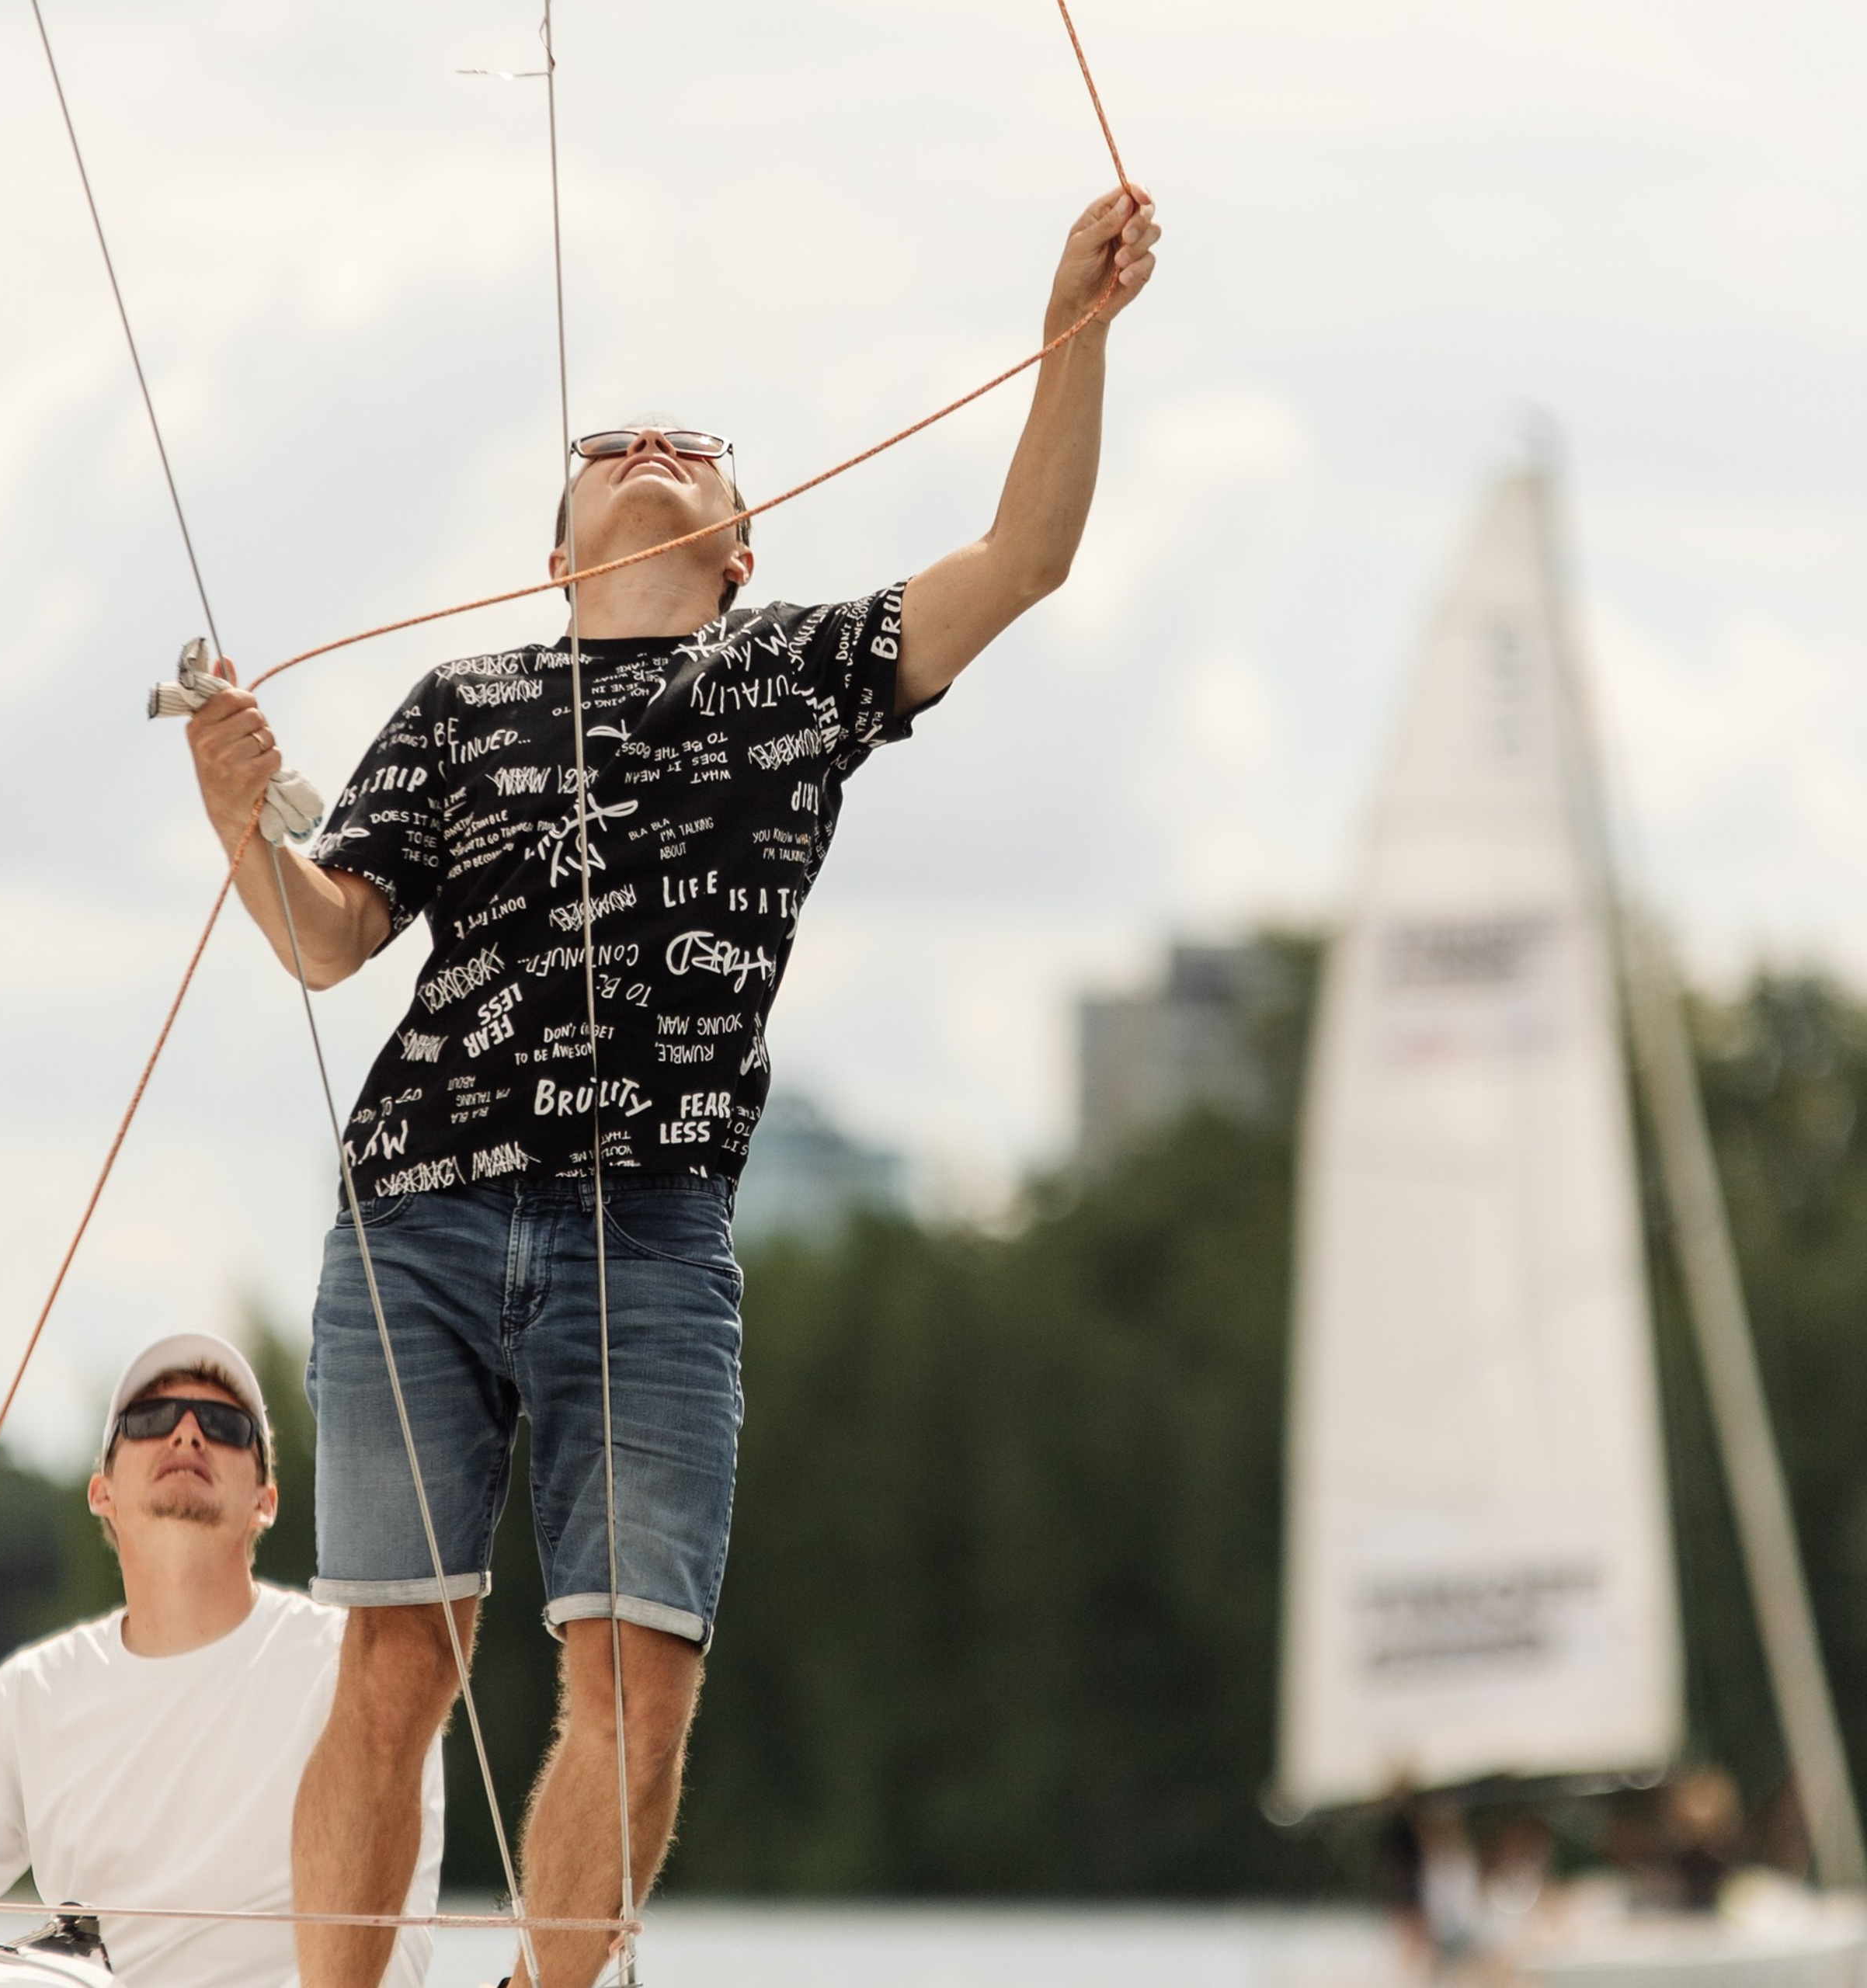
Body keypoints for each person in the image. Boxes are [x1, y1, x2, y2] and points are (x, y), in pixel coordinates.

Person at [183, 182, 1159, 1988]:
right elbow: (326, 943)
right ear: (556, 552)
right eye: (608, 447)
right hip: (415, 1215)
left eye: (682, 448)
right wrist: (243, 809)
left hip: (653, 1230)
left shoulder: (791, 673)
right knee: (395, 1658)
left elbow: (1021, 556)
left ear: (735, 544)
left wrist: (1071, 335)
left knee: (636, 1670)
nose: (640, 451)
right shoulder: (457, 698)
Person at [0, 1334, 443, 1988]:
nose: (186, 1434)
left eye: (224, 1426)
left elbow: (397, 1950)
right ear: (102, 1492)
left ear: (266, 1499)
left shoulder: (353, 1669)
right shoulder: (31, 1695)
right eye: (150, 1420)